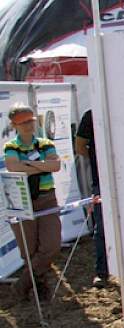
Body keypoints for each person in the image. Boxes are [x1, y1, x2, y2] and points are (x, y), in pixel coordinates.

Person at [4, 105, 61, 301]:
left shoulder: (45, 143)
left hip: (47, 199)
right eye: (24, 122)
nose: (30, 125)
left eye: (31, 120)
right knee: (29, 250)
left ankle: (22, 284)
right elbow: (14, 168)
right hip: (22, 200)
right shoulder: (10, 146)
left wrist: (29, 165)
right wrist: (42, 166)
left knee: (51, 245)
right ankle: (39, 287)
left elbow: (56, 165)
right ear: (14, 125)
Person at [74, 109, 109, 289]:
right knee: (102, 228)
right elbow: (79, 146)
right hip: (101, 181)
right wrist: (98, 161)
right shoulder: (91, 114)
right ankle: (102, 271)